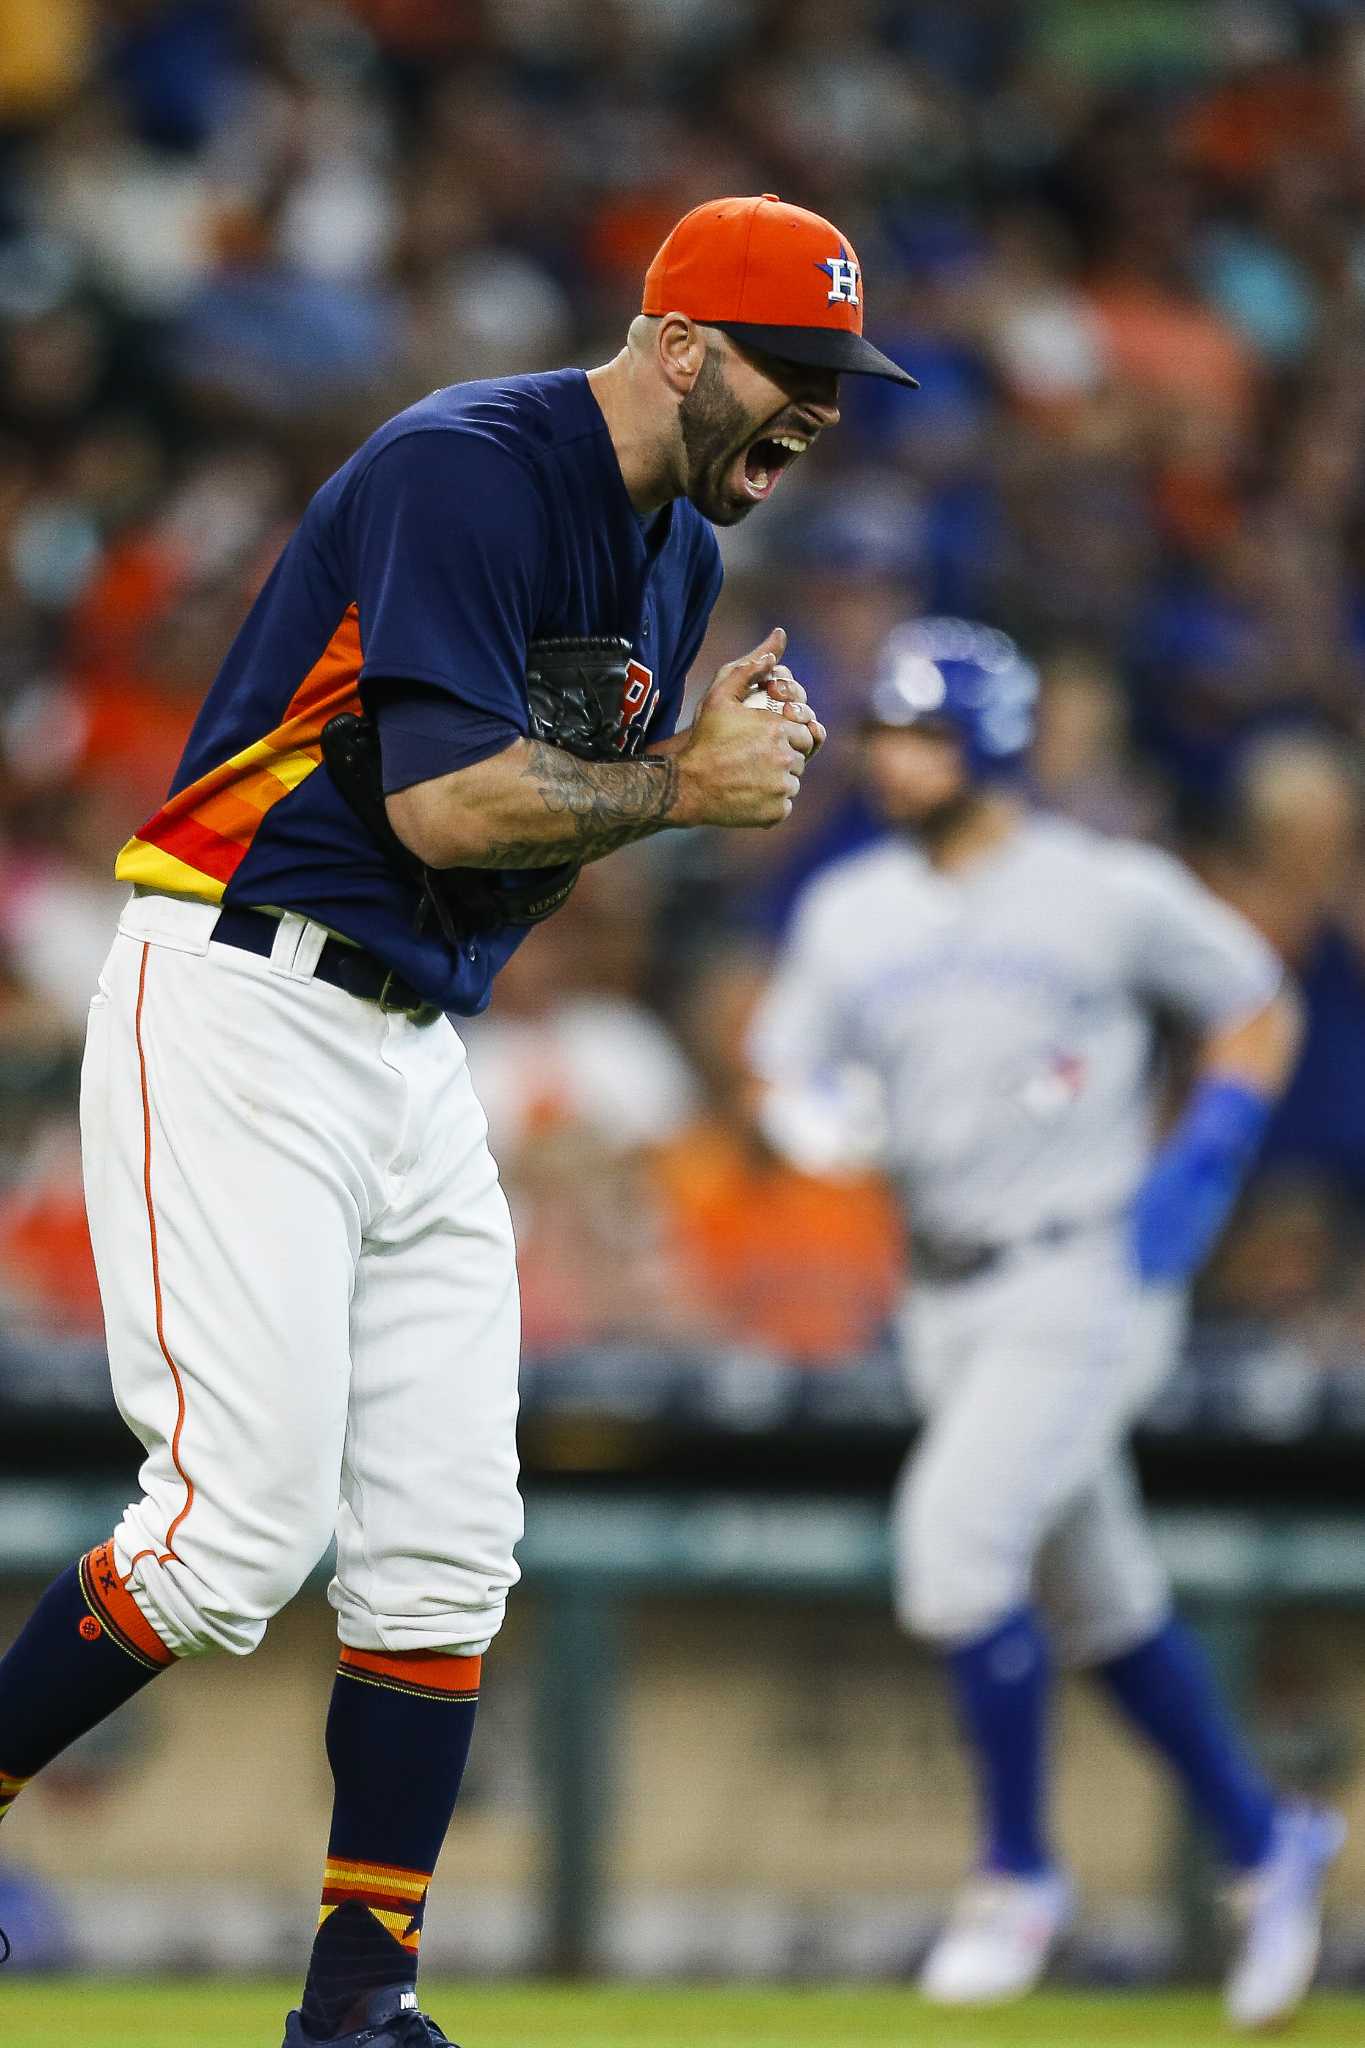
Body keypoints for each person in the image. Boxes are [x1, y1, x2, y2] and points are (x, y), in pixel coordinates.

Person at [0, 194, 916, 2048]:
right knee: (230, 1537)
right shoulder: (473, 467)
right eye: (787, 367)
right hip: (248, 991)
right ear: (677, 344)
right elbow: (439, 812)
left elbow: (529, 839)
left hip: (420, 1044)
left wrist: (660, 782)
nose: (815, 409)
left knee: (444, 1547)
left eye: (838, 377)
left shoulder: (672, 558)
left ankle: (359, 2002)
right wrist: (678, 784)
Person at [750, 616, 1344, 2030]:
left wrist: (1205, 1150)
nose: (894, 760)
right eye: (885, 732)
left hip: (1081, 1275)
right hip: (938, 1293)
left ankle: (1015, 1875)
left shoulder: (1097, 888)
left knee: (952, 1551)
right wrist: (813, 1113)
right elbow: (783, 1066)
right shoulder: (851, 912)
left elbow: (1256, 1006)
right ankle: (1268, 1845)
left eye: (924, 734)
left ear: (993, 744)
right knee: (1099, 1598)